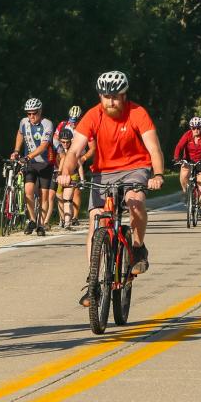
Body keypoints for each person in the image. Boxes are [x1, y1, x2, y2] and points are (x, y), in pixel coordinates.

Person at [58, 71, 166, 307]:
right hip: (103, 172)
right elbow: (75, 150)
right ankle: (93, 283)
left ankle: (137, 248)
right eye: (106, 97)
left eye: (115, 96)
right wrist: (66, 173)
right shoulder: (92, 115)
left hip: (135, 167)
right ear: (100, 96)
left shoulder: (137, 113)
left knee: (135, 202)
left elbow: (154, 149)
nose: (111, 102)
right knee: (96, 220)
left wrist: (157, 175)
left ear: (124, 95)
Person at [11, 98, 55, 236]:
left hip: (45, 163)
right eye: (28, 113)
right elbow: (20, 133)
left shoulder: (47, 124)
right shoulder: (24, 122)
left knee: (44, 195)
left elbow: (44, 146)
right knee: (28, 191)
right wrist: (17, 151)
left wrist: (28, 156)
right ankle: (32, 220)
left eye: (34, 113)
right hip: (30, 164)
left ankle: (41, 224)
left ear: (40, 111)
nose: (31, 116)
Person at [173, 116, 201, 216]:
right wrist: (176, 157)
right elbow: (179, 146)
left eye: (198, 128)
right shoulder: (187, 135)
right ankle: (185, 192)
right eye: (193, 128)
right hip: (189, 160)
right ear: (190, 128)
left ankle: (200, 203)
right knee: (183, 174)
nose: (196, 130)